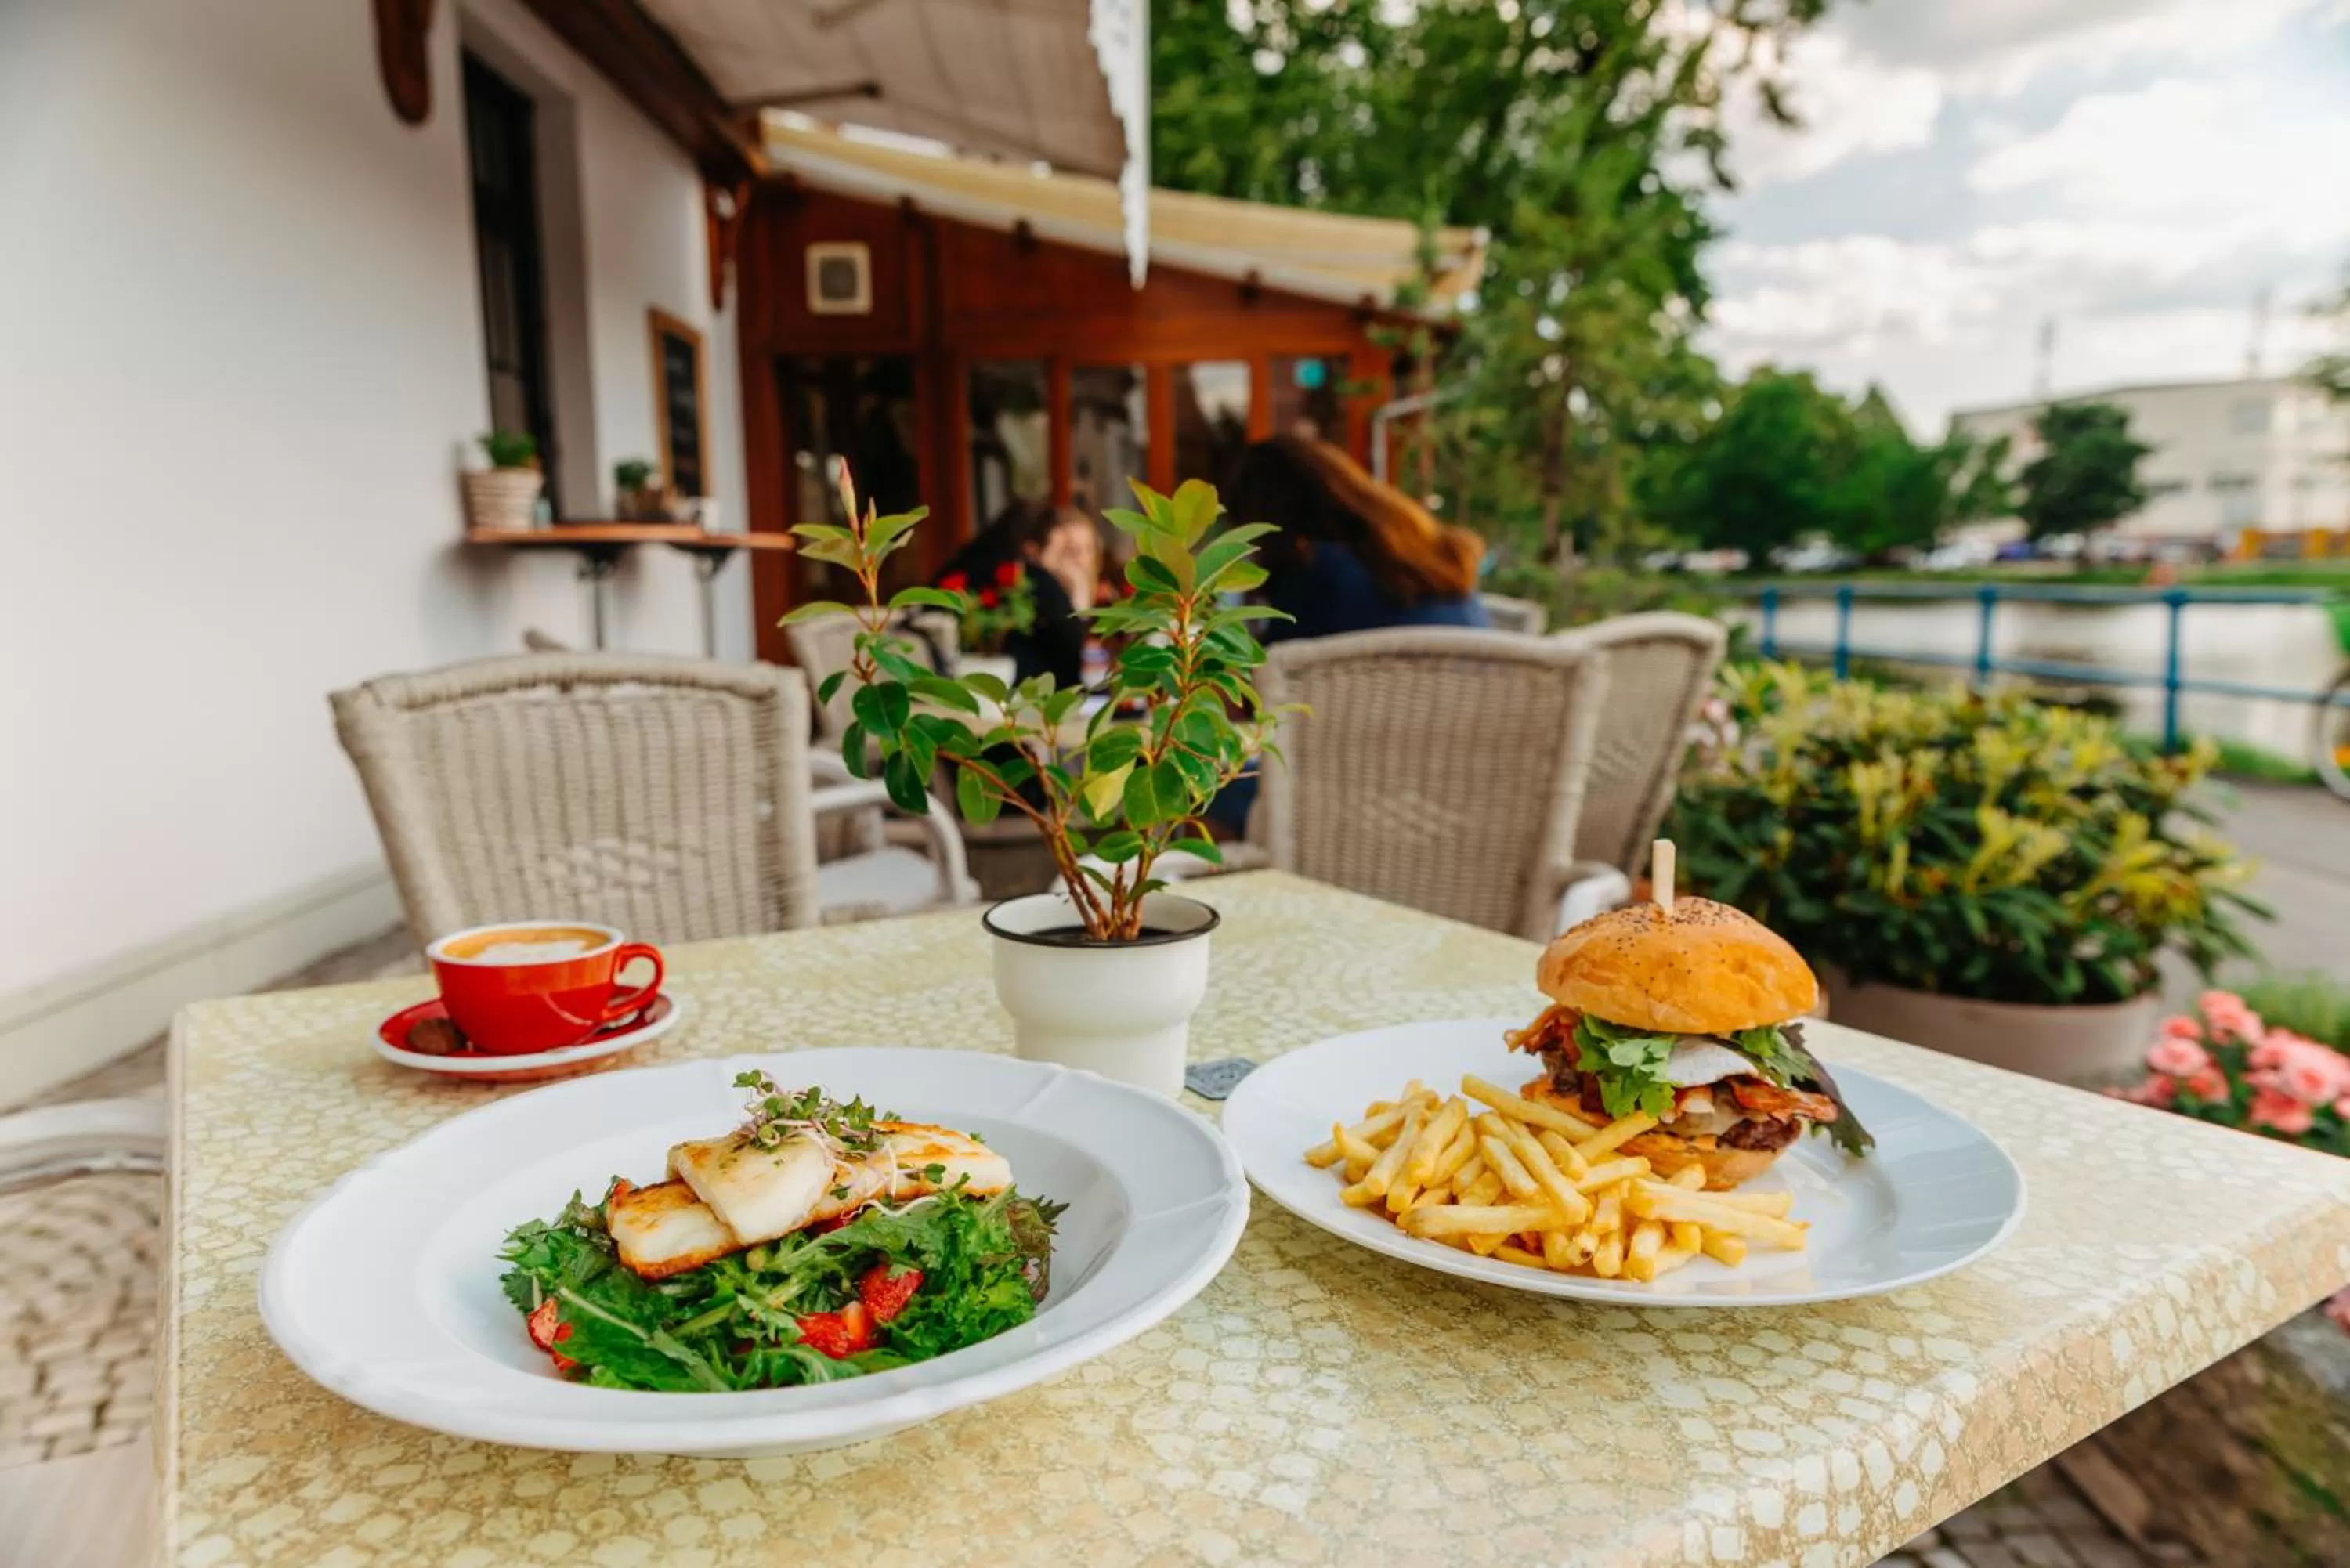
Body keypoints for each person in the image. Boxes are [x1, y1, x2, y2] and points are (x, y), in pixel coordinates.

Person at [1204, 437, 1490, 834]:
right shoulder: (1427, 557)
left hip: (1362, 802)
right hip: (1473, 790)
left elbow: (1263, 700)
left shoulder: (1316, 574)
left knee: (1204, 789)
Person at [1220, 435, 1489, 644]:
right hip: (1478, 707)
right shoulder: (1423, 554)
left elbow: (1270, 689)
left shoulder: (1317, 572)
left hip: (1377, 713)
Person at [936, 500, 1100, 688]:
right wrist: (1075, 598)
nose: (1077, 561)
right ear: (1033, 550)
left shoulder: (1104, 596)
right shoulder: (1027, 589)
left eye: (1087, 549)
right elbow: (1074, 665)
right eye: (1066, 551)